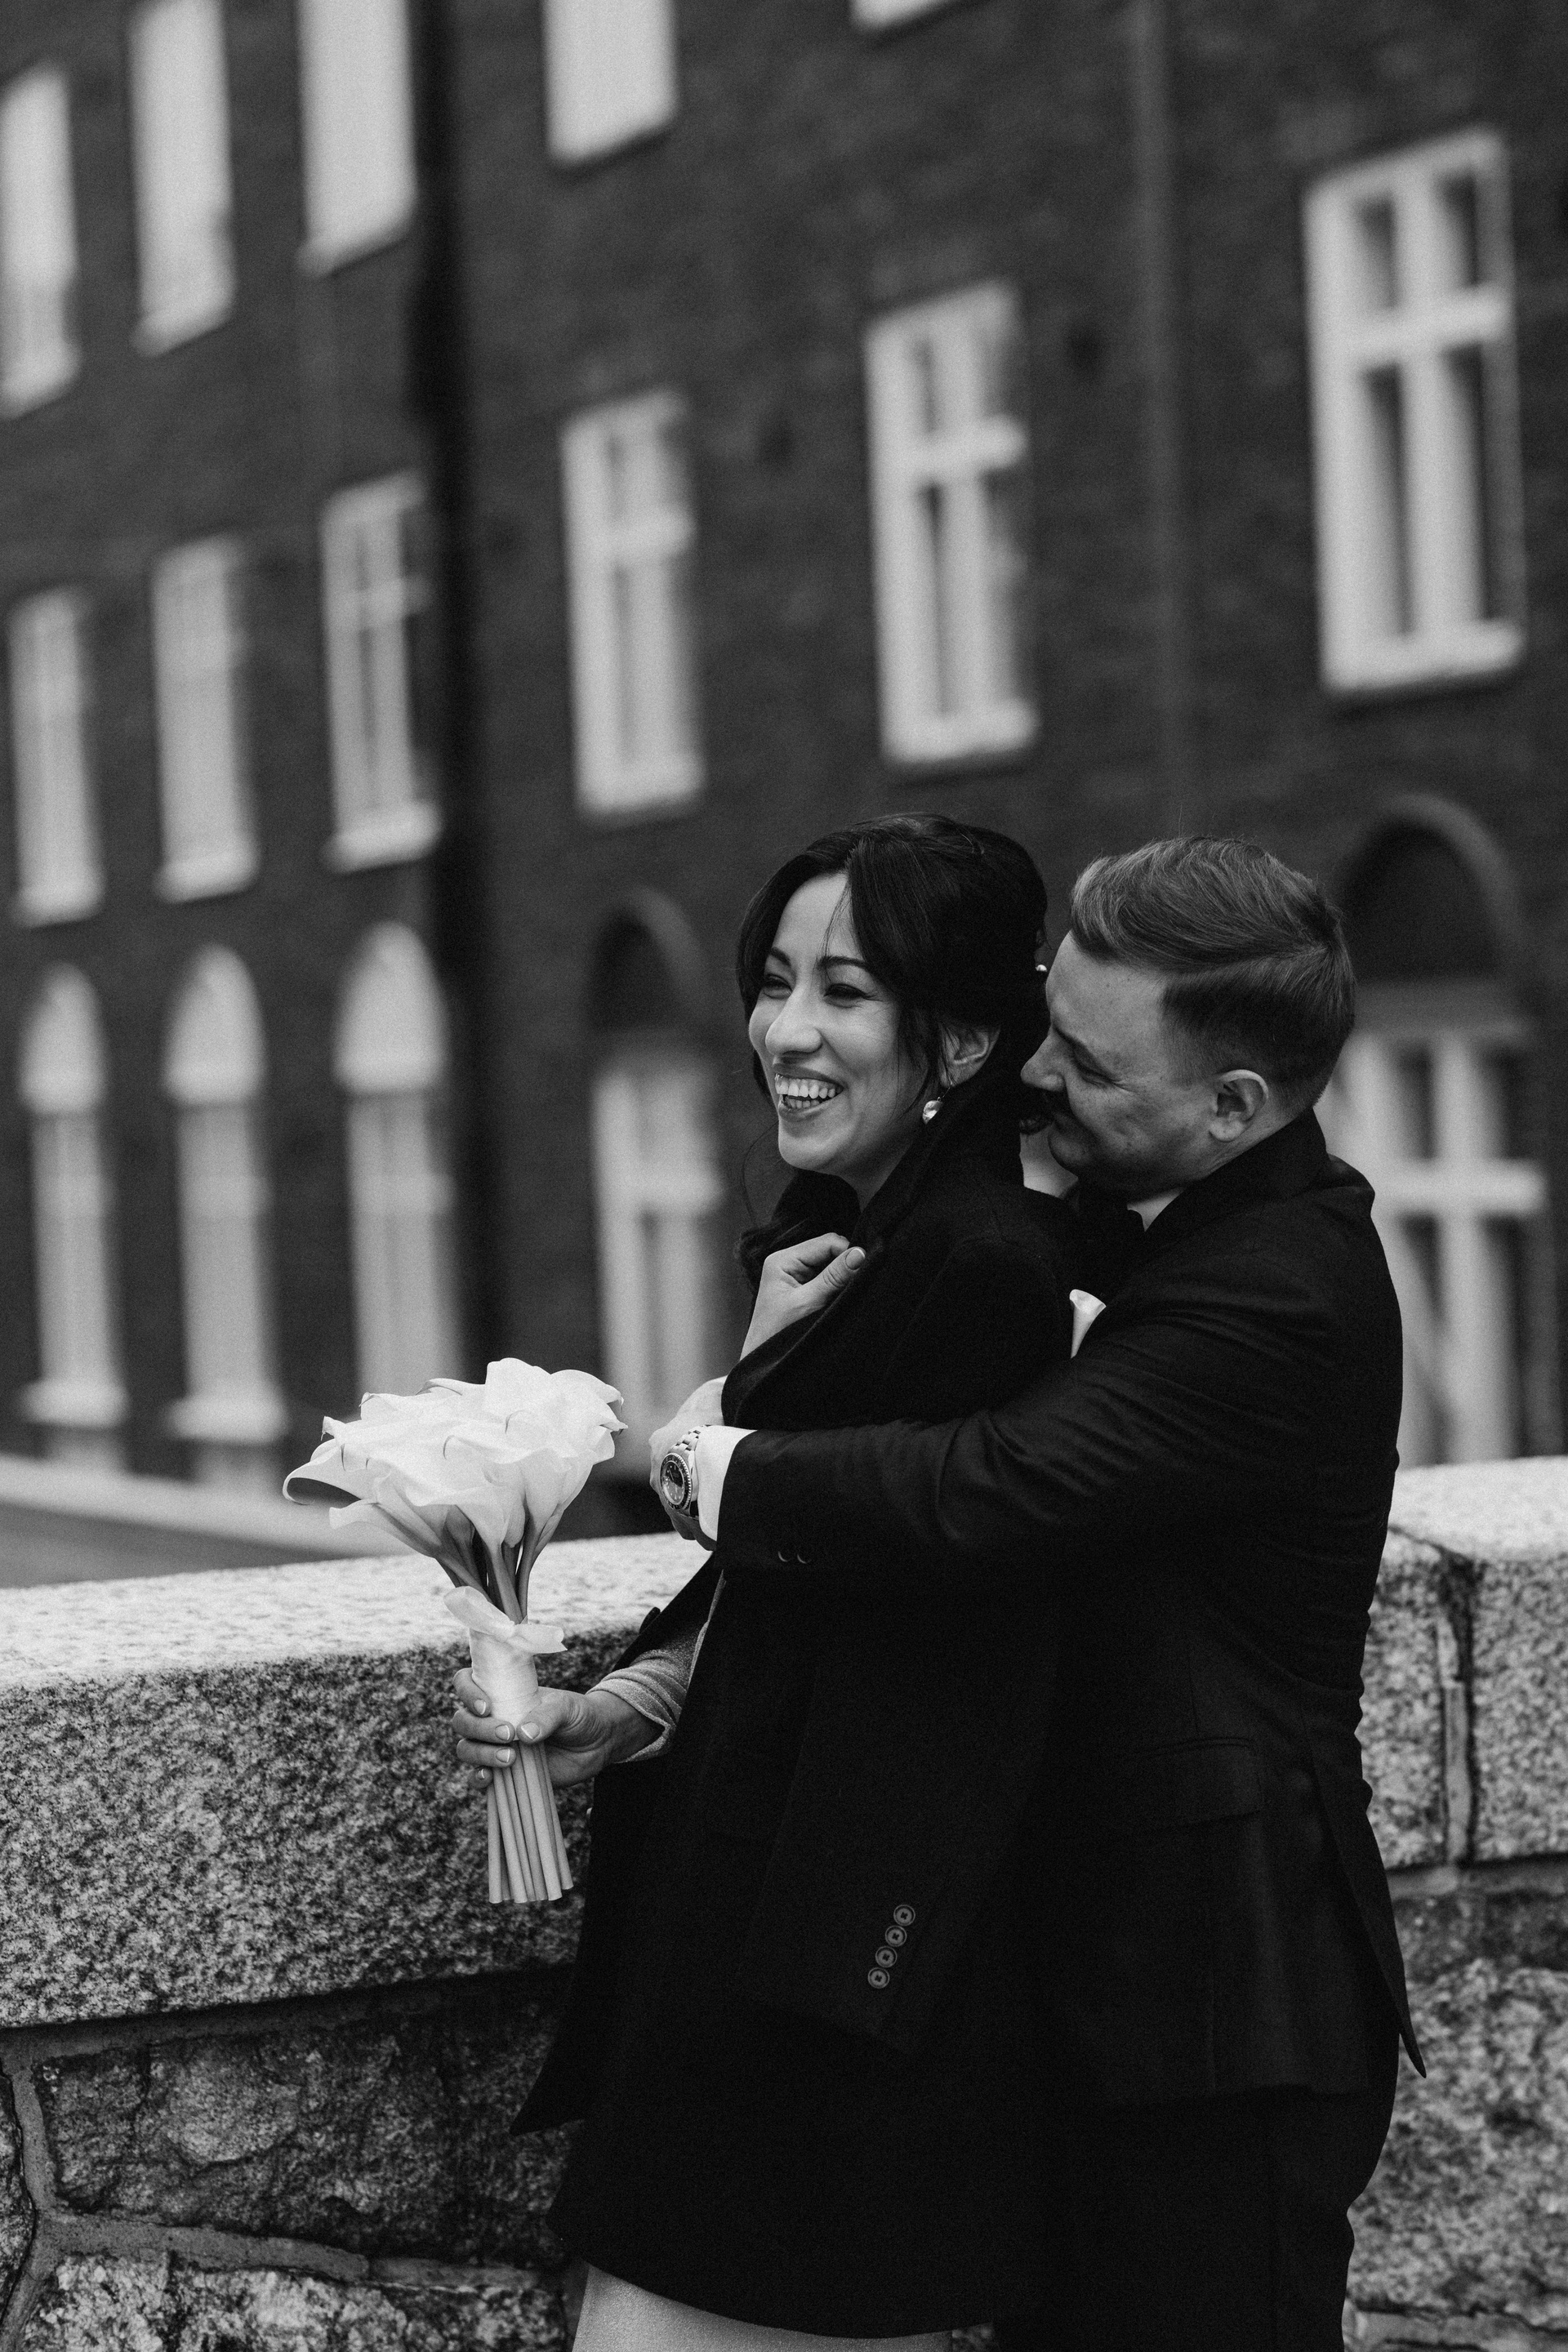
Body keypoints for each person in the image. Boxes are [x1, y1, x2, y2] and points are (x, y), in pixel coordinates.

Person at [640, 836, 1424, 2352]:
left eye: (1092, 1065)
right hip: (1085, 1986)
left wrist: (704, 1456)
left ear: (1235, 1105)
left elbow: (988, 1486)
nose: (1038, 1077)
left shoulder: (1281, 1287)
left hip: (1220, 2014)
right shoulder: (1125, 1213)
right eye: (1050, 1025)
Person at [456, 813, 1076, 2347]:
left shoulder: (979, 1267)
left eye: (845, 991)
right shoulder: (861, 1241)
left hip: (826, 2012)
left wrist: (722, 1417)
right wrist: (627, 1708)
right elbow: (804, 1597)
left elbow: (930, 1648)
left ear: (964, 1038)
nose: (785, 1032)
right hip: (754, 1974)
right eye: (776, 980)